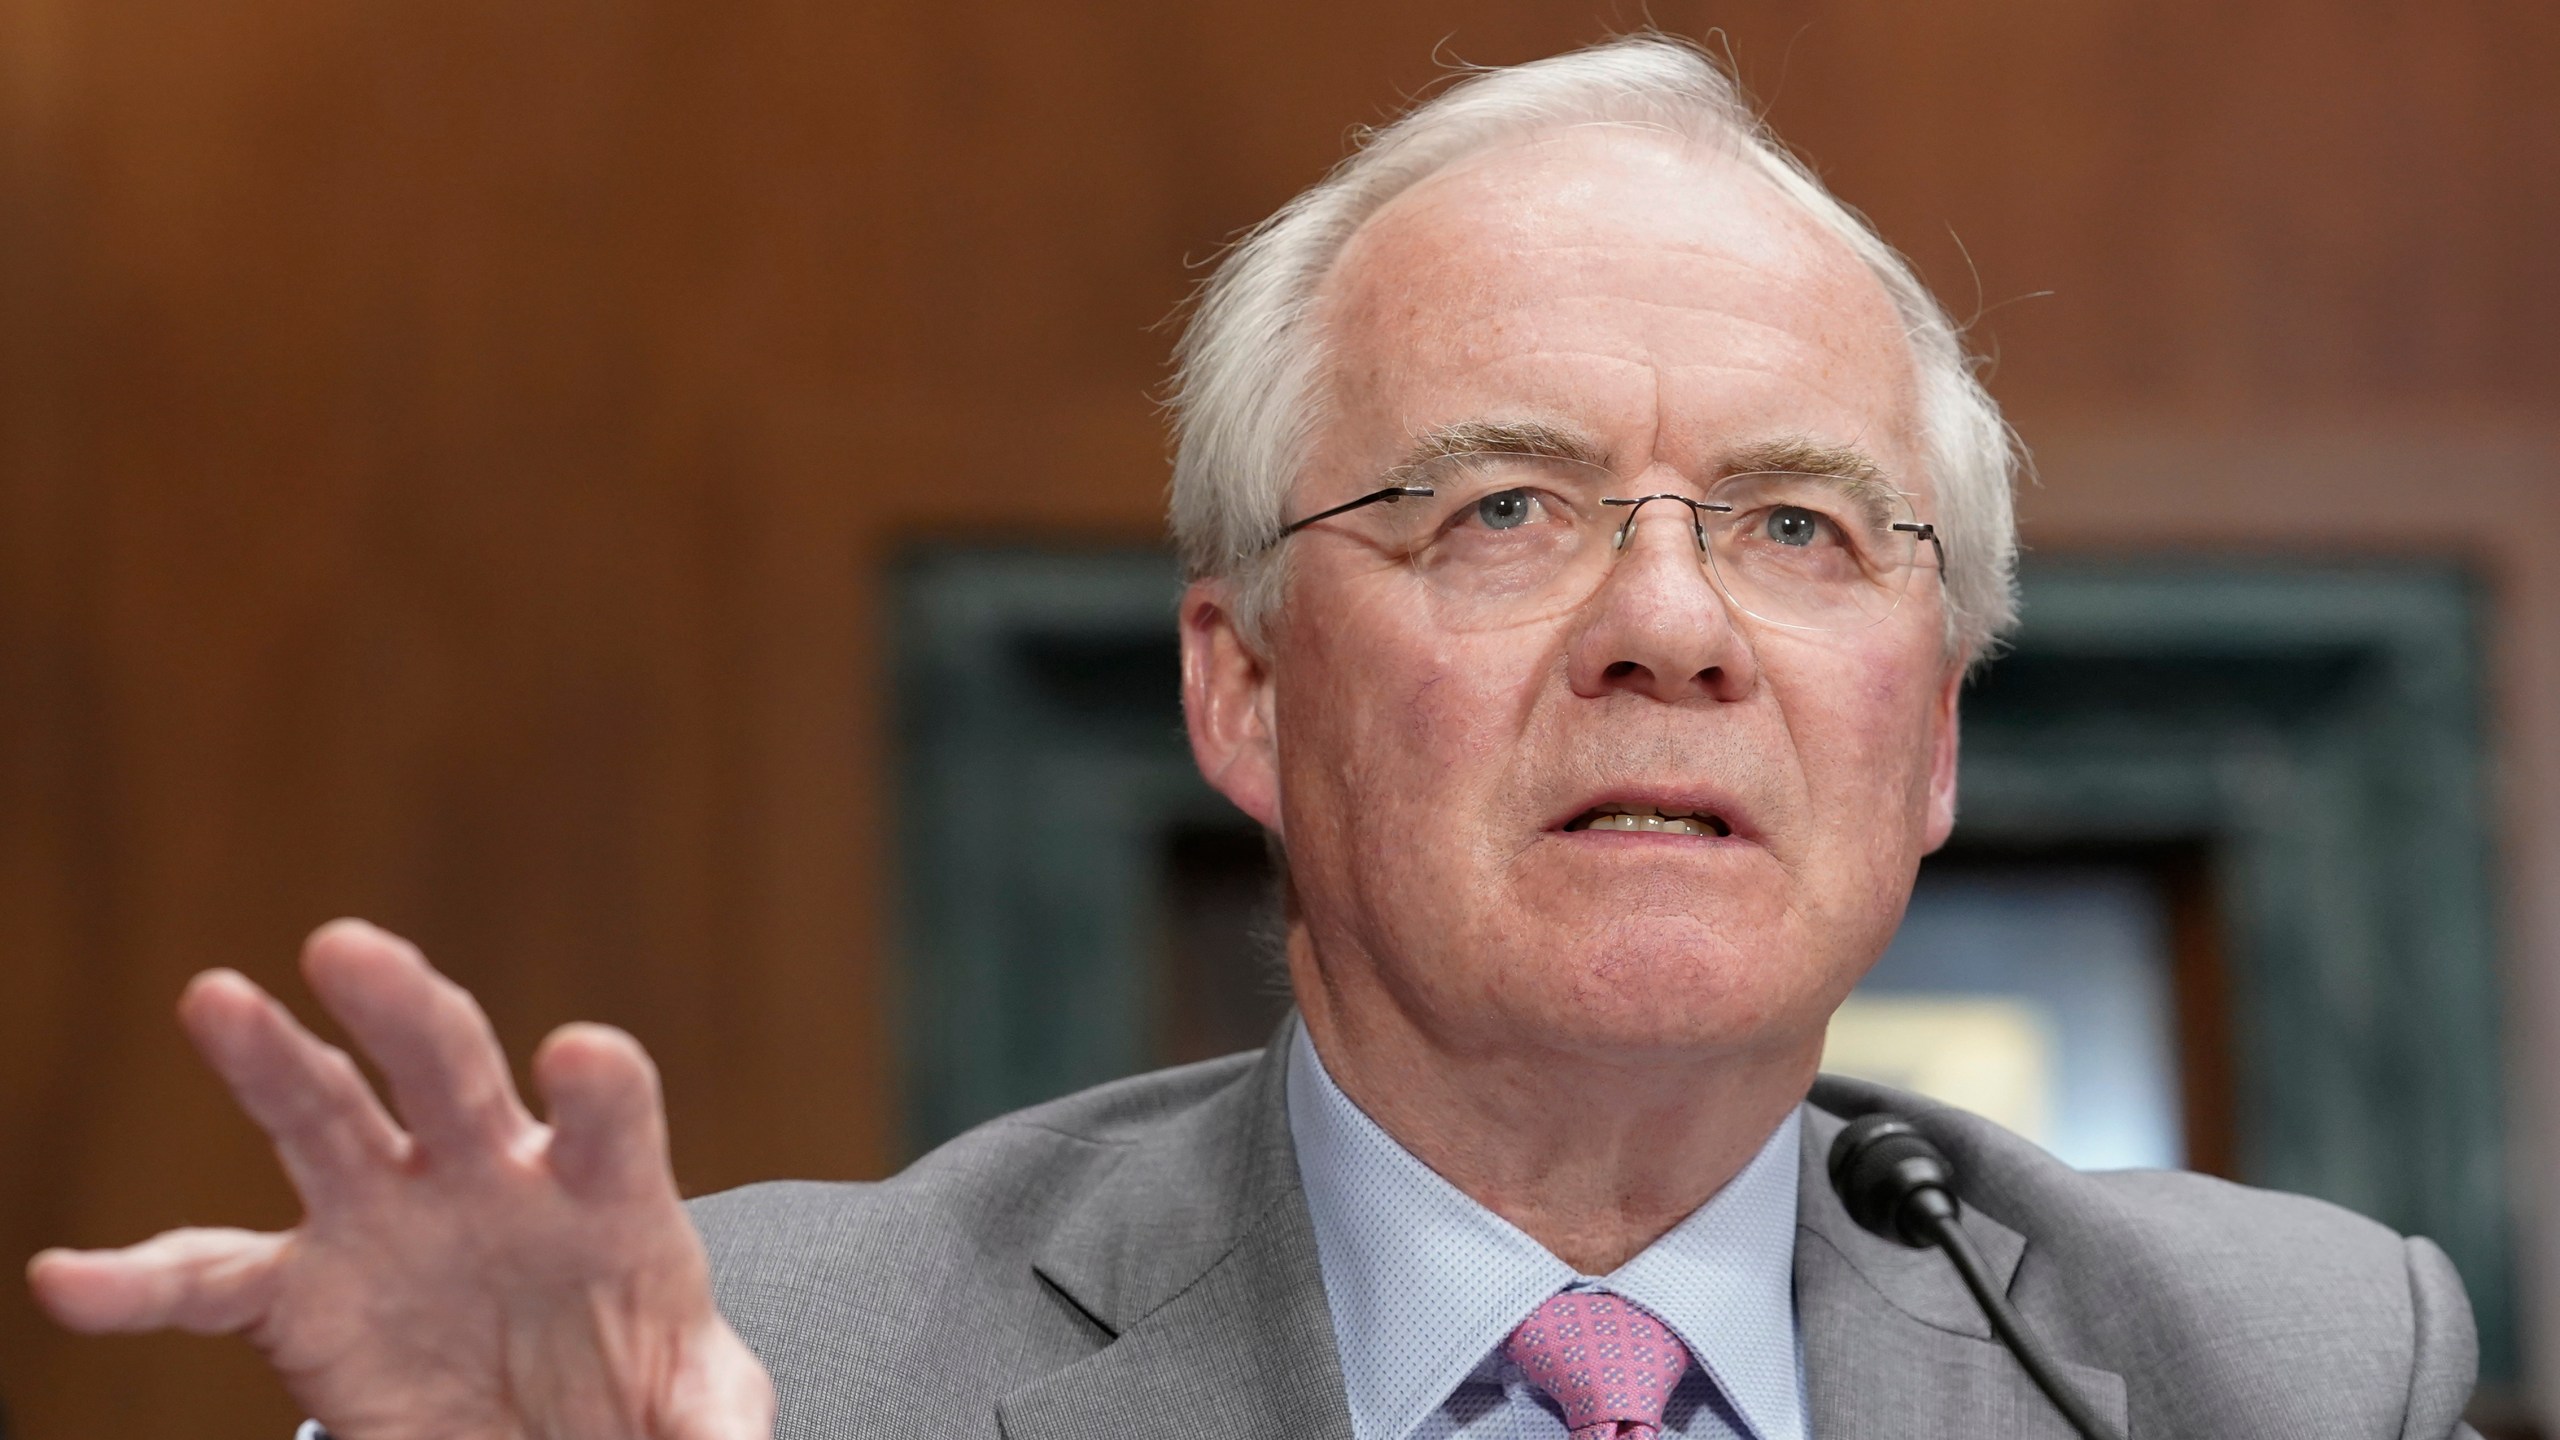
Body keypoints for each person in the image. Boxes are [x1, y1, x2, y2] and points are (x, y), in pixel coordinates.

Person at [27, 35, 2480, 1440]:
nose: (1668, 627)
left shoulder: (2261, 1367)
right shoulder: (764, 1372)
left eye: (1802, 530)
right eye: (1502, 506)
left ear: (1930, 736)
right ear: (1241, 686)